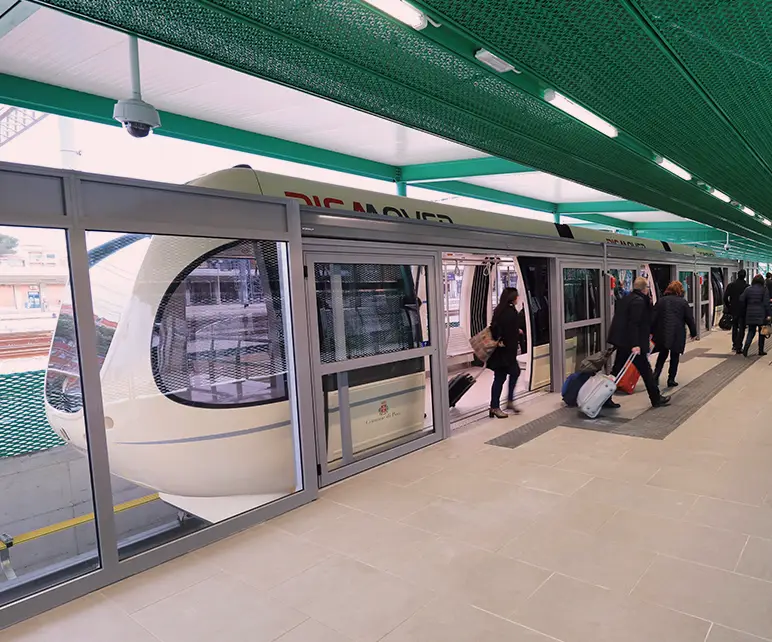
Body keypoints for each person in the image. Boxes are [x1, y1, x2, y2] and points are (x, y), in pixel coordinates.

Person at [607, 276, 669, 408]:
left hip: (623, 342)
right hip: (632, 344)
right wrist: (635, 344)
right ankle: (656, 399)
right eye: (647, 287)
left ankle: (605, 398)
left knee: (616, 370)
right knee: (646, 372)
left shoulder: (627, 298)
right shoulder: (638, 302)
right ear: (644, 289)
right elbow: (634, 324)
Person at [651, 280, 698, 388]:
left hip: (663, 332)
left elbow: (653, 318)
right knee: (674, 356)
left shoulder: (661, 301)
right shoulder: (683, 302)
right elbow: (689, 319)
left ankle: (655, 376)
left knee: (662, 355)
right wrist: (693, 333)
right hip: (677, 333)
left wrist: (651, 332)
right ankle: (671, 379)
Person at [487, 287, 522, 418]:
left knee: (500, 378)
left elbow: (498, 328)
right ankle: (500, 405)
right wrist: (516, 333)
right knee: (513, 373)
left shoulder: (499, 310)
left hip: (499, 351)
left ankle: (498, 405)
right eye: (517, 296)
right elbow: (509, 332)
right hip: (507, 352)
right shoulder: (511, 312)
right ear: (513, 298)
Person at [740, 275, 771, 357]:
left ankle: (746, 348)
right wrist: (769, 314)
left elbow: (741, 299)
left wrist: (746, 307)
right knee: (762, 333)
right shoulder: (764, 290)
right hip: (762, 314)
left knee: (751, 332)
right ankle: (761, 350)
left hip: (750, 314)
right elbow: (766, 303)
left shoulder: (748, 289)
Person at [724, 269, 749, 354]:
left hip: (733, 310)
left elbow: (725, 298)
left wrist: (729, 306)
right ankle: (739, 346)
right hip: (743, 310)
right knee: (742, 328)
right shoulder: (747, 286)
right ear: (745, 276)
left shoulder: (731, 285)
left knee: (734, 327)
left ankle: (734, 344)